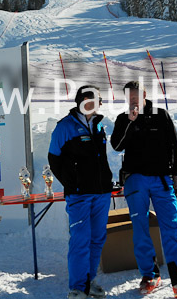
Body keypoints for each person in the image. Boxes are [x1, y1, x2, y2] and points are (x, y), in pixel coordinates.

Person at [111, 81, 177, 298]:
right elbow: (117, 146)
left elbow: (175, 145)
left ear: (144, 94)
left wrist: (176, 174)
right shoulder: (122, 118)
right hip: (135, 180)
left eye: (136, 97)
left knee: (171, 225)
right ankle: (150, 274)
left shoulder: (161, 115)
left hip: (162, 180)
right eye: (129, 98)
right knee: (141, 227)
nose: (133, 101)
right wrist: (129, 122)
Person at [48, 85, 114, 299]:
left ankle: (88, 280)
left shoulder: (98, 125)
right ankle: (77, 288)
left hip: (101, 192)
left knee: (97, 238)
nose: (101, 104)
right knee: (80, 239)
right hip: (79, 195)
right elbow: (54, 159)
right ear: (85, 100)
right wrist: (72, 182)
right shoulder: (64, 127)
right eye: (97, 99)